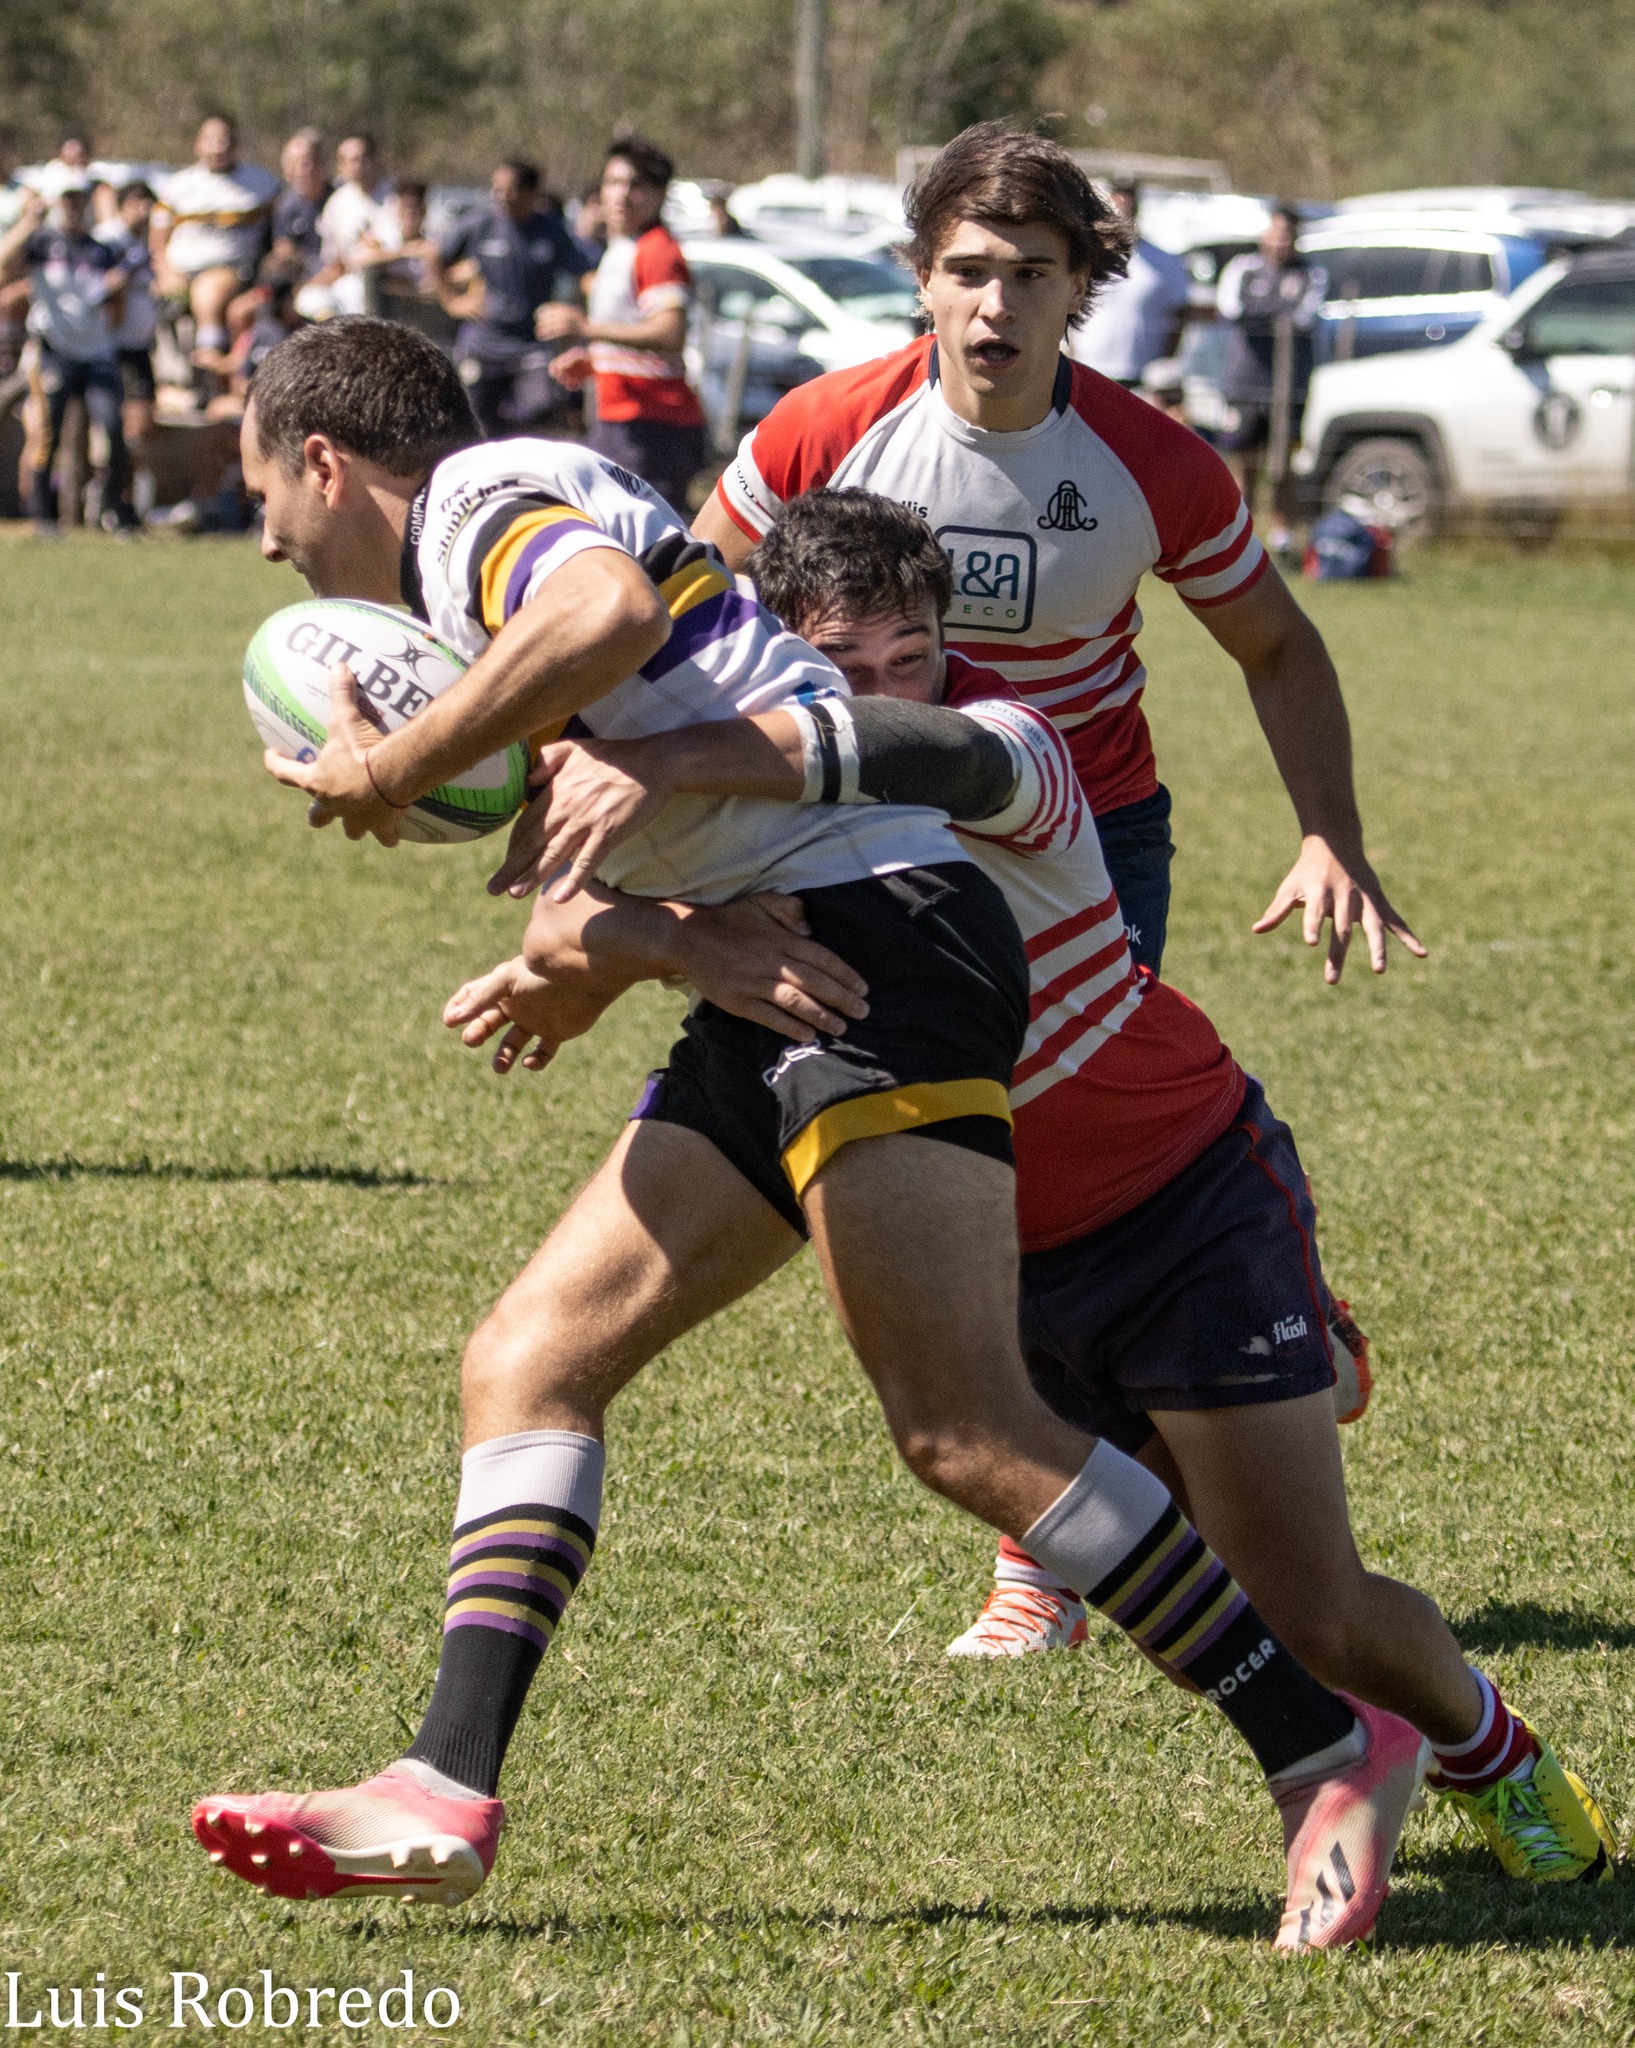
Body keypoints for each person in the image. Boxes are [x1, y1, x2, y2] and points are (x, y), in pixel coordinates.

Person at [190, 317, 1426, 1950]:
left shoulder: (484, 497)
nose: (266, 530)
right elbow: (607, 794)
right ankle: (443, 1782)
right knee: (527, 1359)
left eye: (265, 484)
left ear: (326, 463)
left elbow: (609, 609)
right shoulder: (480, 566)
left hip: (887, 940)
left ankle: (1326, 1747)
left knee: (966, 1426)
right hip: (791, 954)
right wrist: (619, 939)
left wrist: (403, 754)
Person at [480, 485, 1615, 1888]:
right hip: (997, 1256)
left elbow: (928, 752)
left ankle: (1491, 1752)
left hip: (1178, 1196)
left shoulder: (1001, 738)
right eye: (839, 664)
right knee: (1128, 1564)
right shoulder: (731, 794)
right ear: (776, 650)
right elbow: (552, 900)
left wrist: (693, 778)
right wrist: (670, 938)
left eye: (911, 653)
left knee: (1307, 1607)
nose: (883, 687)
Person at [693, 125, 1417, 993]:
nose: (996, 304)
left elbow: (1277, 646)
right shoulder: (823, 428)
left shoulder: (1157, 465)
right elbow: (688, 610)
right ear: (922, 278)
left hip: (1089, 827)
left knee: (1081, 1102)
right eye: (968, 271)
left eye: (1031, 274)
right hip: (860, 813)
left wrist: (1328, 834)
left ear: (1080, 284)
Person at [539, 136, 708, 516]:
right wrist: (596, 359)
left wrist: (586, 329)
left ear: (659, 195)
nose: (621, 195)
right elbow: (634, 334)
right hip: (623, 417)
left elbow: (669, 333)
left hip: (653, 424)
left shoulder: (657, 250)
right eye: (613, 182)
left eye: (635, 185)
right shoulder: (623, 246)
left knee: (649, 551)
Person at [0, 176, 138, 532]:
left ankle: (116, 513)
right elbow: (3, 260)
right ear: (57, 203)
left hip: (97, 355)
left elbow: (117, 306)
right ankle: (43, 517)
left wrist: (112, 298)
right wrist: (29, 222)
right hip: (54, 352)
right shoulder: (43, 243)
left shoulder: (101, 250)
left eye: (79, 200)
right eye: (67, 200)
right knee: (48, 434)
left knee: (112, 428)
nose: (74, 207)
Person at [432, 159, 583, 437]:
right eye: (496, 189)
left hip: (531, 346)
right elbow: (434, 255)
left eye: (509, 190)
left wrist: (579, 319)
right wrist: (453, 301)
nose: (500, 196)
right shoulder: (481, 224)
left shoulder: (551, 231)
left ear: (531, 193)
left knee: (540, 413)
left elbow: (584, 273)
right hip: (485, 344)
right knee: (474, 426)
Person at [1216, 206, 1327, 555]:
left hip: (1289, 388)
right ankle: (1239, 536)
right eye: (1276, 233)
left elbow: (1305, 318)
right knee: (1243, 461)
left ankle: (1282, 539)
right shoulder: (1242, 269)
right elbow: (1232, 310)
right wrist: (1276, 314)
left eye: (1288, 235)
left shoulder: (1312, 274)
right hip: (1244, 383)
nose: (1281, 242)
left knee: (1284, 465)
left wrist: (1264, 315)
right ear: (1264, 235)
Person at [151, 116, 278, 370]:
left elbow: (276, 230)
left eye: (224, 140)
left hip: (234, 271)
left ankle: (210, 354)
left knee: (209, 291)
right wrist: (165, 273)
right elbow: (157, 239)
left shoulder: (260, 183)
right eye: (210, 140)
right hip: (178, 273)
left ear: (236, 144)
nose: (217, 147)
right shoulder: (178, 185)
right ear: (198, 144)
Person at [1066, 180, 1191, 389]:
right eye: (1116, 200)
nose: (1122, 208)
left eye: (1128, 201)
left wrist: (1163, 367)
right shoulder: (1086, 255)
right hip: (1087, 367)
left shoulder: (1166, 261)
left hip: (1141, 374)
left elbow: (1179, 315)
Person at [93, 180, 160, 517]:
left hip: (140, 347)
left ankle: (128, 500)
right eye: (138, 201)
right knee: (119, 427)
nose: (144, 210)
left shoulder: (143, 243)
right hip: (113, 348)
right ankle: (111, 501)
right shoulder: (109, 239)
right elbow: (102, 289)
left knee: (141, 424)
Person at [295, 134, 392, 320]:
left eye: (360, 159)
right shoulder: (338, 203)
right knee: (309, 298)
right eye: (347, 160)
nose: (355, 166)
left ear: (374, 160)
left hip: (390, 281)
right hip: (350, 279)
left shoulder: (396, 197)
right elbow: (335, 261)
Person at [270, 129, 330, 280]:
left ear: (322, 163)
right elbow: (283, 249)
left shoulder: (341, 200)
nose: (302, 171)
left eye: (308, 162)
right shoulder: (285, 206)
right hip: (304, 279)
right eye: (293, 164)